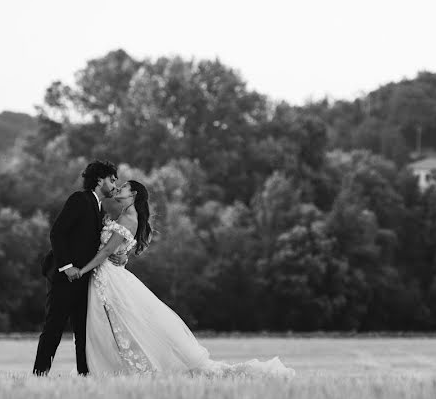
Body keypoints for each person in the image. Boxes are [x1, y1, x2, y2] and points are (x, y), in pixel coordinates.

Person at [77, 180, 294, 377]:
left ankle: (114, 369)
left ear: (133, 194)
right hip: (108, 275)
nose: (119, 189)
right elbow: (116, 250)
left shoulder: (127, 217)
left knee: (122, 325)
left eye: (123, 187)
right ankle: (110, 368)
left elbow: (106, 252)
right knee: (114, 325)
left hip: (109, 277)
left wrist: (82, 269)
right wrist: (121, 257)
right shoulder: (123, 215)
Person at [33, 160, 118, 376]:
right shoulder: (80, 199)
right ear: (99, 180)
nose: (115, 185)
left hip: (85, 278)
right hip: (65, 277)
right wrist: (67, 266)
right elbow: (57, 233)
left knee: (83, 330)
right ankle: (39, 374)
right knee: (54, 327)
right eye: (112, 179)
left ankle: (84, 375)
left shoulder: (99, 207)